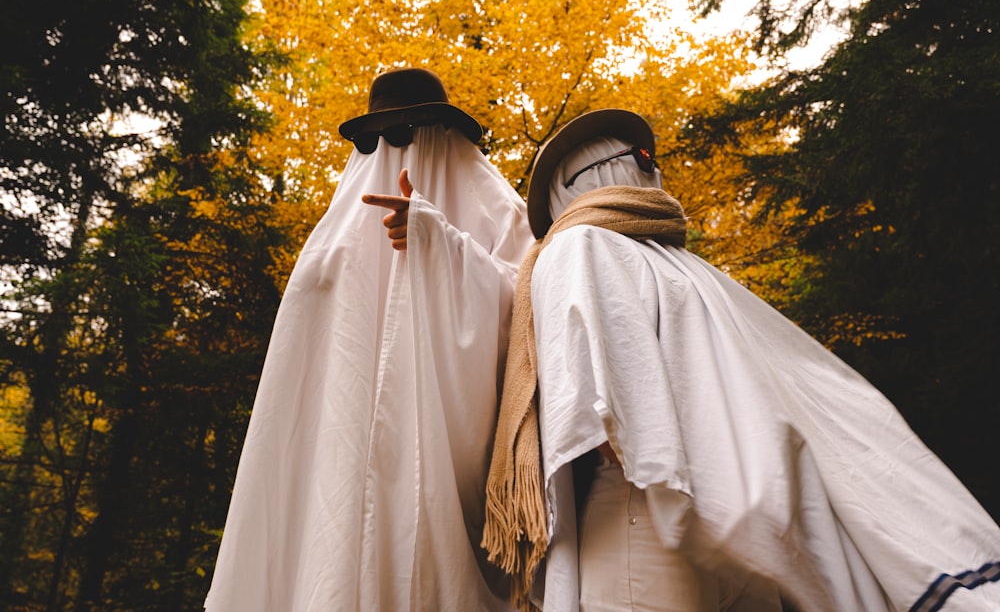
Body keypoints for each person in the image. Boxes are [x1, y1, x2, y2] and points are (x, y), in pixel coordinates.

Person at [482, 109, 1000, 612]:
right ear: (594, 175)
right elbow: (602, 396)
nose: (650, 167)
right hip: (658, 518)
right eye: (638, 157)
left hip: (685, 518)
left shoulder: (667, 262)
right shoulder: (586, 244)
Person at [205, 68, 533, 612]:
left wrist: (441, 243)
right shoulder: (334, 234)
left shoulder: (494, 205)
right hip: (341, 450)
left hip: (441, 454)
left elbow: (530, 301)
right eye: (372, 137)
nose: (387, 149)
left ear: (435, 130)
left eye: (403, 132)